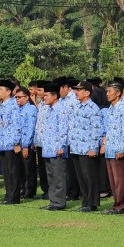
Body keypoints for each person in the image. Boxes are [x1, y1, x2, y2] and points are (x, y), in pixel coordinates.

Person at [68, 80, 103, 212]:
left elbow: (96, 129)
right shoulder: (77, 106)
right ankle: (85, 201)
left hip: (88, 148)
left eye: (79, 90)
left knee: (90, 177)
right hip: (77, 147)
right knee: (81, 177)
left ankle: (92, 203)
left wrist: (93, 148)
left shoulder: (92, 108)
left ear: (87, 92)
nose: (76, 92)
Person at [101, 82, 124, 215]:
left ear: (118, 93)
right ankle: (116, 204)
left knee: (120, 179)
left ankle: (122, 205)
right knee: (113, 180)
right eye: (106, 91)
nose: (107, 94)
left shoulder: (123, 108)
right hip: (110, 148)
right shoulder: (110, 108)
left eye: (110, 91)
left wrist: (122, 149)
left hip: (118, 148)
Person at [40, 83, 70, 211]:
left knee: (58, 177)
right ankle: (53, 201)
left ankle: (59, 202)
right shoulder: (49, 109)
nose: (44, 98)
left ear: (55, 96)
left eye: (46, 95)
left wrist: (62, 146)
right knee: (51, 177)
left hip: (57, 148)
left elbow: (64, 130)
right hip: (48, 148)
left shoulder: (61, 109)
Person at [0, 80, 23, 205]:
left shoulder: (13, 105)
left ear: (8, 92)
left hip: (11, 143)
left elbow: (17, 125)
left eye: (1, 90)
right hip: (2, 143)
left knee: (13, 171)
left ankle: (14, 197)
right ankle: (8, 195)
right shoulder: (1, 105)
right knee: (6, 171)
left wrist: (17, 143)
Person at [15, 87, 38, 199]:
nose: (17, 99)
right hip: (18, 144)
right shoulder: (19, 109)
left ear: (27, 97)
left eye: (19, 97)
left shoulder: (31, 109)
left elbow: (30, 128)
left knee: (29, 169)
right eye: (16, 97)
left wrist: (26, 146)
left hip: (27, 144)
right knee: (21, 170)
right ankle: (23, 189)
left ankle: (30, 191)